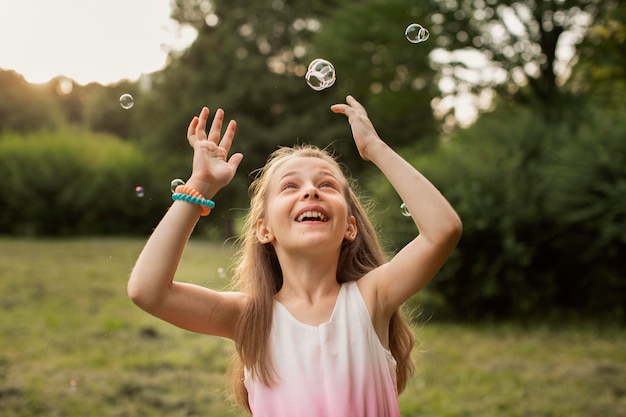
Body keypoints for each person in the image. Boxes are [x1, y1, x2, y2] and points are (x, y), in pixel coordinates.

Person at [128, 95, 462, 417]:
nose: (311, 190)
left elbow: (442, 230)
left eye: (328, 184)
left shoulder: (372, 298)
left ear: (350, 226)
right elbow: (148, 291)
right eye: (290, 186)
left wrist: (374, 148)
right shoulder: (252, 317)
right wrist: (199, 184)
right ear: (264, 230)